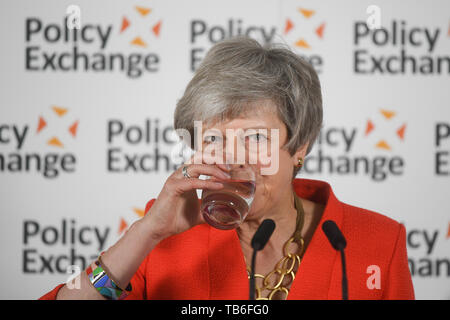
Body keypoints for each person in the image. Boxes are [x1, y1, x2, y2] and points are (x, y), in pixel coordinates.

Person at [40, 36, 414, 300]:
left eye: (254, 137)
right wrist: (146, 232)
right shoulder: (164, 238)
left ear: (300, 145)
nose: (233, 159)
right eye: (214, 139)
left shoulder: (376, 242)